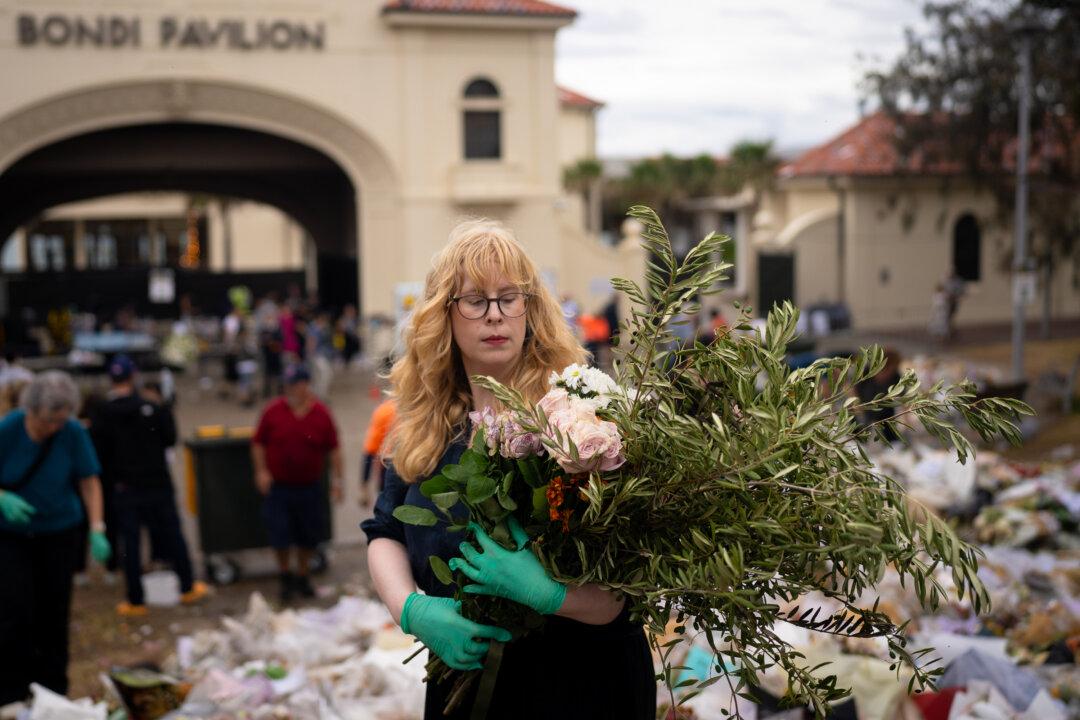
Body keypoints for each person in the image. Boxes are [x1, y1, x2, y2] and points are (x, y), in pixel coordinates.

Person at [361, 220, 656, 719]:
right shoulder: (428, 427)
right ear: (444, 315)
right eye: (475, 300)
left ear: (530, 309)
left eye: (509, 298)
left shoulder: (580, 418)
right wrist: (411, 609)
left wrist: (549, 593)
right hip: (467, 684)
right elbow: (385, 530)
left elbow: (629, 589)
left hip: (581, 689)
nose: (495, 315)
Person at [0, 371, 111, 705]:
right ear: (31, 412)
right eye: (49, 421)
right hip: (12, 535)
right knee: (14, 610)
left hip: (59, 533)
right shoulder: (9, 429)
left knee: (54, 612)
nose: (55, 428)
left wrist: (97, 528)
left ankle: (52, 691)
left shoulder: (72, 432)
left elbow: (89, 481)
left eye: (62, 421)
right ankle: (12, 691)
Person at [90, 355, 208, 617]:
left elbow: (97, 453)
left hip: (124, 487)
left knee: (130, 543)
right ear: (133, 377)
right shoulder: (151, 408)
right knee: (173, 534)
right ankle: (187, 587)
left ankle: (135, 600)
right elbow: (170, 438)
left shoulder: (102, 413)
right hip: (157, 483)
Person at [252, 363, 344, 602]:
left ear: (306, 385)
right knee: (280, 535)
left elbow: (334, 449)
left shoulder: (321, 413)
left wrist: (337, 481)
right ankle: (285, 576)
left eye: (296, 384)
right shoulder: (273, 411)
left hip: (309, 487)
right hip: (279, 487)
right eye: (288, 385)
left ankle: (303, 575)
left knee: (308, 536)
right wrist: (261, 471)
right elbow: (258, 442)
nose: (291, 389)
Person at [360, 398, 396, 506]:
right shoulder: (386, 411)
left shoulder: (384, 411)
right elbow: (371, 450)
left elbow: (370, 451)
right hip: (394, 465)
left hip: (391, 466)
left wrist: (364, 486)